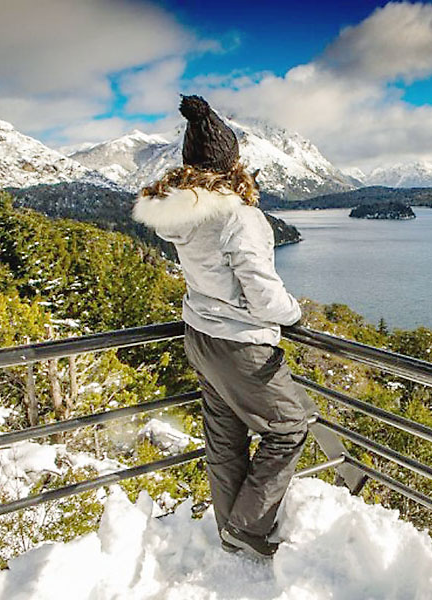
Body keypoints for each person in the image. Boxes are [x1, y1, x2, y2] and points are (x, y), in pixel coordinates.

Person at [132, 95, 315, 559]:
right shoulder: (238, 215)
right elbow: (263, 293)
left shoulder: (184, 216)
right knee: (290, 425)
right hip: (241, 346)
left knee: (225, 434)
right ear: (231, 163)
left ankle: (230, 531)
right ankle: (247, 528)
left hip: (201, 337)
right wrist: (294, 314)